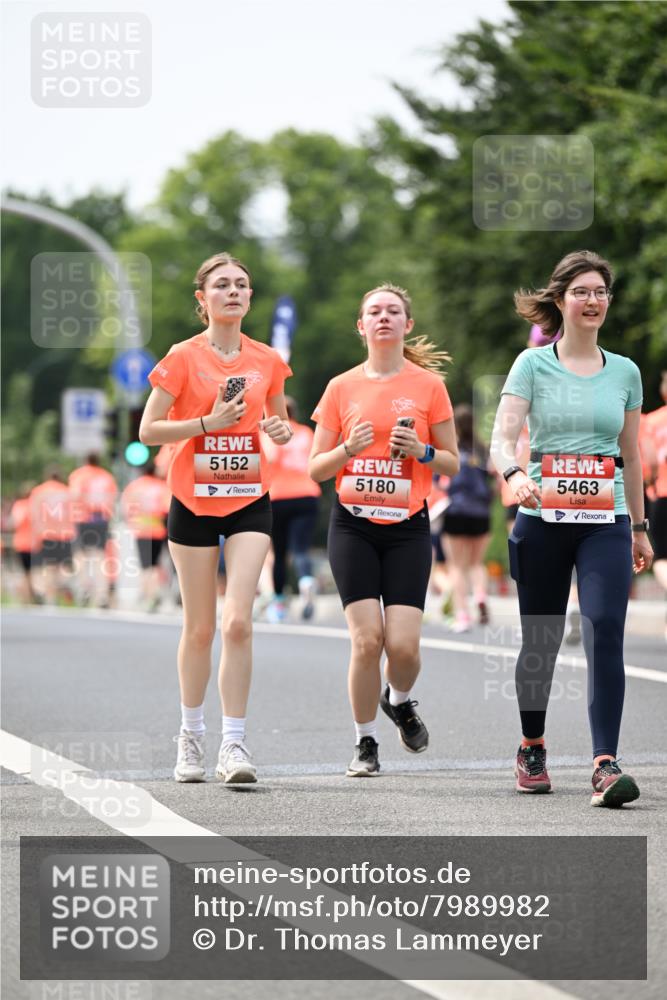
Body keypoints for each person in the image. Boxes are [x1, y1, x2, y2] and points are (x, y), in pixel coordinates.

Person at [490, 250, 653, 808]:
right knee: (542, 639)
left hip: (606, 519)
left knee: (605, 625)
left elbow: (631, 454)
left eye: (600, 292)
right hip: (542, 518)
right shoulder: (532, 365)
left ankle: (605, 763)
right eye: (581, 291)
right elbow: (501, 439)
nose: (592, 300)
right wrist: (514, 474)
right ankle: (532, 746)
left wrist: (639, 526)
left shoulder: (625, 371)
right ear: (560, 301)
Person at [139, 252, 293, 785]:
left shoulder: (268, 359)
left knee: (238, 622)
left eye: (241, 285)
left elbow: (278, 420)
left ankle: (233, 743)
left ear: (250, 297)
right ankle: (190, 735)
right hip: (193, 500)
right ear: (202, 299)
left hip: (249, 496)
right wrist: (206, 423)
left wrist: (279, 431)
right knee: (201, 628)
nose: (233, 292)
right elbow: (148, 431)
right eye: (222, 285)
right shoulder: (182, 357)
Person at [309, 283, 458, 777]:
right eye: (374, 311)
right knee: (367, 640)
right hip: (352, 526)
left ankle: (398, 699)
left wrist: (422, 452)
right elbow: (315, 469)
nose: (384, 318)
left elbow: (454, 462)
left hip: (407, 527)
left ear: (407, 324)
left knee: (404, 648)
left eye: (393, 311)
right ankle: (365, 742)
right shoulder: (341, 387)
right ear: (362, 325)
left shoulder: (429, 387)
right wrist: (348, 449)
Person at [266, 396, 321, 622]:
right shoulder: (306, 433)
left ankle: (279, 602)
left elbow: (270, 458)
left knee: (279, 554)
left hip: (278, 496)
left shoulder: (269, 434)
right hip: (307, 495)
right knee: (301, 549)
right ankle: (306, 581)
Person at [441, 403, 494, 632]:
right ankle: (480, 595)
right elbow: (494, 477)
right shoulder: (482, 450)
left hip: (456, 511)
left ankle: (462, 614)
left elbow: (440, 481)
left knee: (456, 566)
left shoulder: (451, 449)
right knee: (476, 563)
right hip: (481, 512)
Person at [120, 459, 172, 611]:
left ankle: (148, 596)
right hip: (158, 530)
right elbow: (168, 508)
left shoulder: (134, 486)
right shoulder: (162, 486)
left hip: (141, 530)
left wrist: (132, 522)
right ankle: (154, 594)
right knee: (156, 564)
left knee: (145, 565)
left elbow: (126, 508)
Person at [68, 454, 118, 608]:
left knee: (81, 555)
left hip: (83, 518)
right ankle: (102, 594)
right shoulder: (107, 477)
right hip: (101, 519)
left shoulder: (79, 475)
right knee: (99, 557)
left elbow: (75, 495)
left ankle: (84, 587)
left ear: (86, 461)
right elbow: (112, 498)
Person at [29, 467, 76, 605]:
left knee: (49, 567)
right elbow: (74, 513)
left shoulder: (39, 491)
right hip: (65, 533)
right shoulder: (67, 491)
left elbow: (34, 515)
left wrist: (36, 535)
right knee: (64, 567)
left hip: (47, 534)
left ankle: (51, 598)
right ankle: (63, 584)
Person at [644, 370, 667, 636]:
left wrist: (649, 483)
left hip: (662, 494)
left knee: (661, 558)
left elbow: (649, 460)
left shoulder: (652, 422)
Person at [10, 482, 40, 604]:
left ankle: (28, 597)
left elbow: (13, 523)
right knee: (30, 572)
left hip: (22, 544)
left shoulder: (19, 505)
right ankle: (27, 597)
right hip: (29, 544)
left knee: (27, 573)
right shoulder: (32, 506)